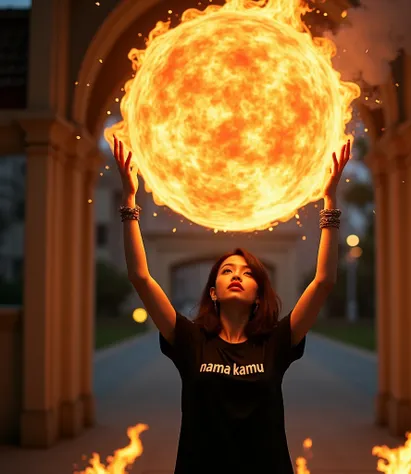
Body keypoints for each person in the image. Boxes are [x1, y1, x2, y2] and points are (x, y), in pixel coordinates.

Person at [113, 135, 351, 473]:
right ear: (213, 291)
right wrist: (129, 199)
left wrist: (329, 201)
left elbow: (324, 281)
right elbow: (141, 277)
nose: (236, 275)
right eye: (226, 271)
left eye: (247, 273)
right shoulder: (190, 339)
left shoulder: (276, 341)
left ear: (258, 293)